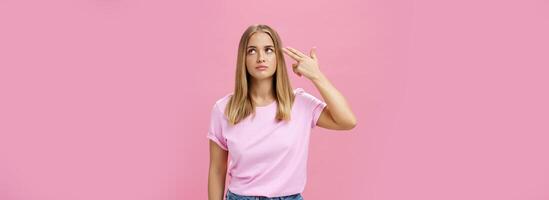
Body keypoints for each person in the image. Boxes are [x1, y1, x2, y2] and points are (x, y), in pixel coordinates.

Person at [208, 24, 357, 200]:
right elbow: (217, 171)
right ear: (243, 58)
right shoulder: (224, 109)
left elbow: (347, 121)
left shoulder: (300, 103)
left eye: (269, 50)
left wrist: (316, 75)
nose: (261, 57)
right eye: (252, 51)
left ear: (278, 57)